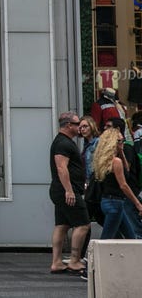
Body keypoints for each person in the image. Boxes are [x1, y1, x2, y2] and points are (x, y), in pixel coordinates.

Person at [49, 111, 89, 276]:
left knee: (62, 225)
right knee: (83, 224)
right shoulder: (63, 143)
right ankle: (74, 260)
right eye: (76, 124)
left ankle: (57, 262)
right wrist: (69, 190)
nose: (79, 126)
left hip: (62, 190)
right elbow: (61, 167)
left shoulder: (64, 142)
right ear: (68, 126)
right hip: (65, 190)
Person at [91, 128, 142, 239]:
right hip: (115, 202)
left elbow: (126, 170)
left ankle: (134, 256)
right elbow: (123, 185)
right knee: (107, 238)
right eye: (120, 141)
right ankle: (98, 256)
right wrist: (137, 204)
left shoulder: (106, 161)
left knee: (131, 237)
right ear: (113, 143)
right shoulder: (115, 162)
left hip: (108, 201)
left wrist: (121, 152)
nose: (122, 143)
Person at [78, 116, 101, 186]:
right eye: (80, 127)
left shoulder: (98, 142)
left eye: (85, 126)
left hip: (96, 181)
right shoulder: (86, 145)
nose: (82, 129)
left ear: (91, 126)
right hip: (88, 181)